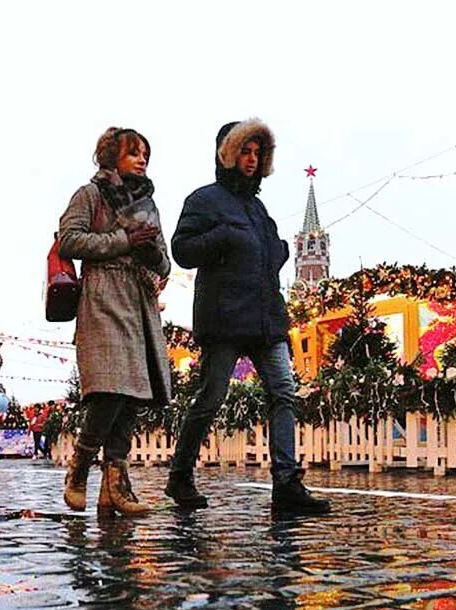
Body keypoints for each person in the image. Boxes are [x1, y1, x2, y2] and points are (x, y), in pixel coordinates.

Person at [166, 120, 330, 516]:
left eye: (258, 153)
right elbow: (182, 250)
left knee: (283, 393)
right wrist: (220, 238)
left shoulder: (257, 208)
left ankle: (287, 484)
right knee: (210, 397)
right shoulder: (204, 200)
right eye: (245, 151)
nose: (252, 160)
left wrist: (278, 253)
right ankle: (181, 474)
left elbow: (269, 252)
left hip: (266, 318)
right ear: (227, 153)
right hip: (224, 318)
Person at [58, 126, 173, 516]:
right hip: (103, 296)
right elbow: (69, 240)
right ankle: (80, 466)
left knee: (132, 394)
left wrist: (151, 251)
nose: (142, 160)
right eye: (133, 153)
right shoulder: (90, 194)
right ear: (112, 157)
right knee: (110, 388)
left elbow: (164, 260)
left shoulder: (148, 204)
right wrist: (124, 241)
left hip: (138, 298)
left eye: (145, 154)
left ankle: (116, 486)